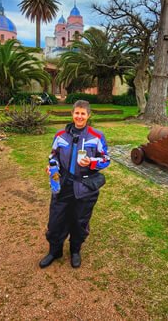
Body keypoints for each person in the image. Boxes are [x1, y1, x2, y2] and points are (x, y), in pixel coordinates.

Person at [39, 100, 110, 269]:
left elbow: (106, 159)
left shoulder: (97, 136)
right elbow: (53, 155)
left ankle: (75, 250)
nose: (79, 116)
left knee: (80, 221)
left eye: (83, 113)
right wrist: (51, 166)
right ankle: (54, 251)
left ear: (88, 115)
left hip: (84, 187)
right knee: (56, 220)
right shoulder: (60, 135)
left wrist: (91, 162)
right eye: (76, 113)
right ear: (72, 114)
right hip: (62, 185)